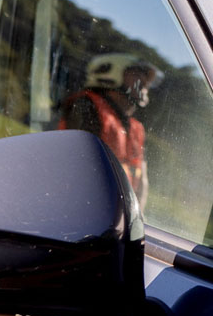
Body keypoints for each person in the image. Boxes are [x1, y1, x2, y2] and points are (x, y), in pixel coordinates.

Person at [59, 53, 163, 207]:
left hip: (117, 217)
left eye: (146, 78)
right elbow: (77, 174)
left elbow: (142, 181)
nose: (145, 82)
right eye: (138, 74)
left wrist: (136, 220)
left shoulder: (136, 129)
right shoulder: (86, 107)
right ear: (110, 73)